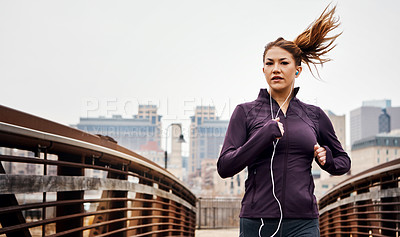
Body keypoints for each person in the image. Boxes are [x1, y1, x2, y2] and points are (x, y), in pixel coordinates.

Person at [217, 5, 351, 237]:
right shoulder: (245, 112)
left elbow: (344, 162)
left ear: (298, 70)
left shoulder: (314, 114)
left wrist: (327, 160)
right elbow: (225, 167)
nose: (276, 69)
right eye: (270, 63)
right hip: (256, 221)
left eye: (283, 63)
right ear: (263, 70)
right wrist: (262, 136)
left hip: (303, 222)